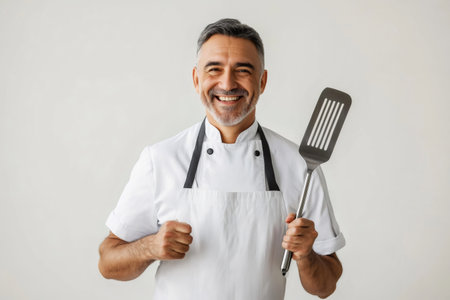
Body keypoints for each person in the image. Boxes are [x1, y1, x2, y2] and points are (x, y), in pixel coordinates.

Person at [98, 18, 345, 299]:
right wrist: (150, 247)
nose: (227, 83)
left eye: (243, 70)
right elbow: (108, 263)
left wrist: (306, 255)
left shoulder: (300, 165)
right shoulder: (161, 160)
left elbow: (326, 286)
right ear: (196, 79)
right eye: (214, 69)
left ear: (262, 81)